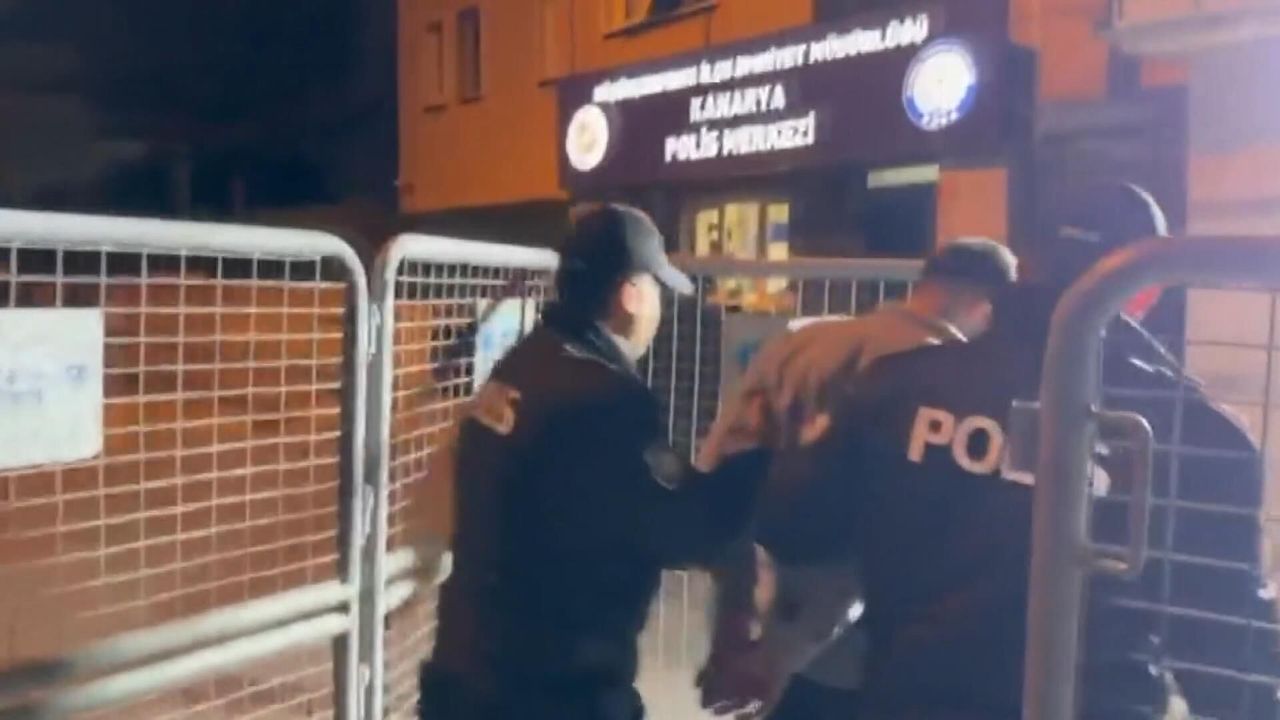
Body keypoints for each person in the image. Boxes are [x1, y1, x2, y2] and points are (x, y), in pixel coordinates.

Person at [712, 181, 1270, 718]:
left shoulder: (897, 386)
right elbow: (1222, 657)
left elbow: (796, 524)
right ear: (1148, 289)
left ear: (1024, 266)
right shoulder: (1194, 432)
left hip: (914, 699)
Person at [418, 203, 771, 720]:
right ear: (630, 294)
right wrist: (765, 455)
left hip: (467, 682)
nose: (659, 310)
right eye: (656, 290)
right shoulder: (604, 399)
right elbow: (686, 528)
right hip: (550, 696)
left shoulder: (526, 363)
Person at [696, 238, 1019, 720]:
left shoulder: (799, 344)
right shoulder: (936, 382)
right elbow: (884, 532)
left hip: (767, 633)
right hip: (864, 658)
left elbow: (723, 484)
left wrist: (732, 624)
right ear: (984, 304)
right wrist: (782, 654)